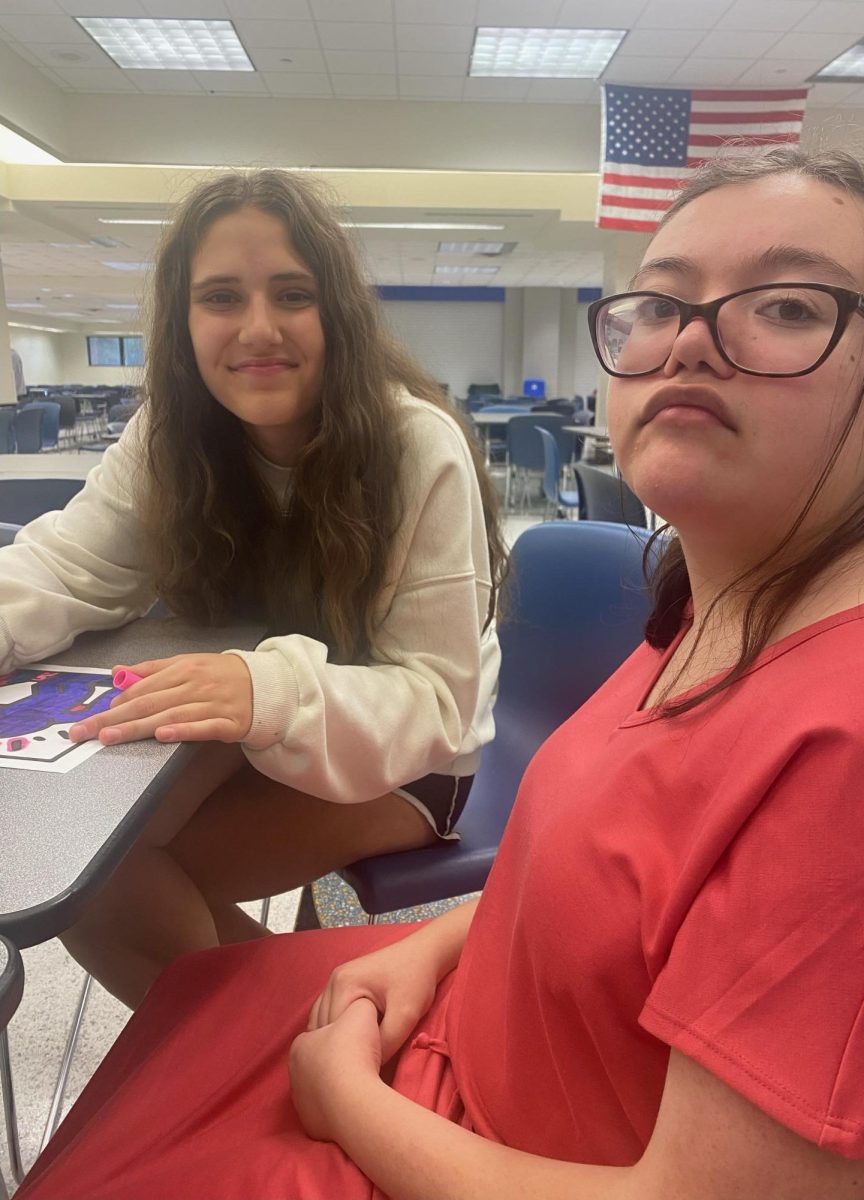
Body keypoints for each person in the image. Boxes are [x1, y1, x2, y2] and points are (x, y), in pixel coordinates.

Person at [16, 146, 864, 1200]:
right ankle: (210, 1026)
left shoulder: (857, 724)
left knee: (128, 917)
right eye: (660, 304)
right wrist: (430, 952)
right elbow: (60, 567)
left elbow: (437, 709)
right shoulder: (715, 609)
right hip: (452, 1022)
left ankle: (209, 1037)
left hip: (410, 782)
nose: (694, 340)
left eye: (791, 307)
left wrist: (342, 1092)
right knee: (107, 875)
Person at [0, 169, 506, 1009]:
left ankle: (284, 1062)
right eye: (222, 297)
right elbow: (63, 566)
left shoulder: (417, 446)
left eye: (292, 294)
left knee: (106, 879)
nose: (258, 328)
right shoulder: (168, 438)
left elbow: (435, 704)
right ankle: (293, 1047)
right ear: (184, 319)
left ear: (336, 312)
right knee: (79, 859)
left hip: (410, 760)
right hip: (246, 723)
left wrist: (261, 684)